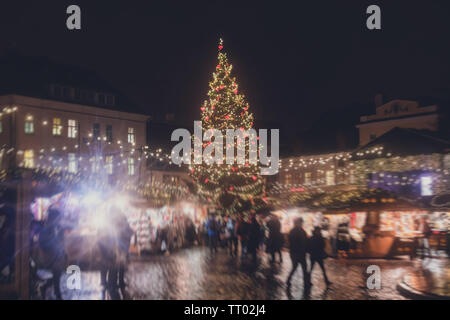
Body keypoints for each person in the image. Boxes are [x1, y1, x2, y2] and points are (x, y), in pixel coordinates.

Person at [38, 207, 66, 300]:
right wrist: (52, 240)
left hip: (57, 255)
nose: (59, 220)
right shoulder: (45, 229)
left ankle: (45, 287)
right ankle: (58, 295)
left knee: (57, 274)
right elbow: (42, 243)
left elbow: (61, 241)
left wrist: (63, 251)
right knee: (57, 273)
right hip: (49, 256)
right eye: (57, 218)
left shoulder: (58, 228)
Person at [287, 217, 309, 289]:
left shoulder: (293, 231)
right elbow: (303, 241)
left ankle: (289, 280)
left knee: (296, 267)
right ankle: (306, 283)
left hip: (295, 252)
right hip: (298, 252)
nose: (301, 224)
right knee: (302, 268)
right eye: (301, 222)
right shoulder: (299, 231)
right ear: (298, 223)